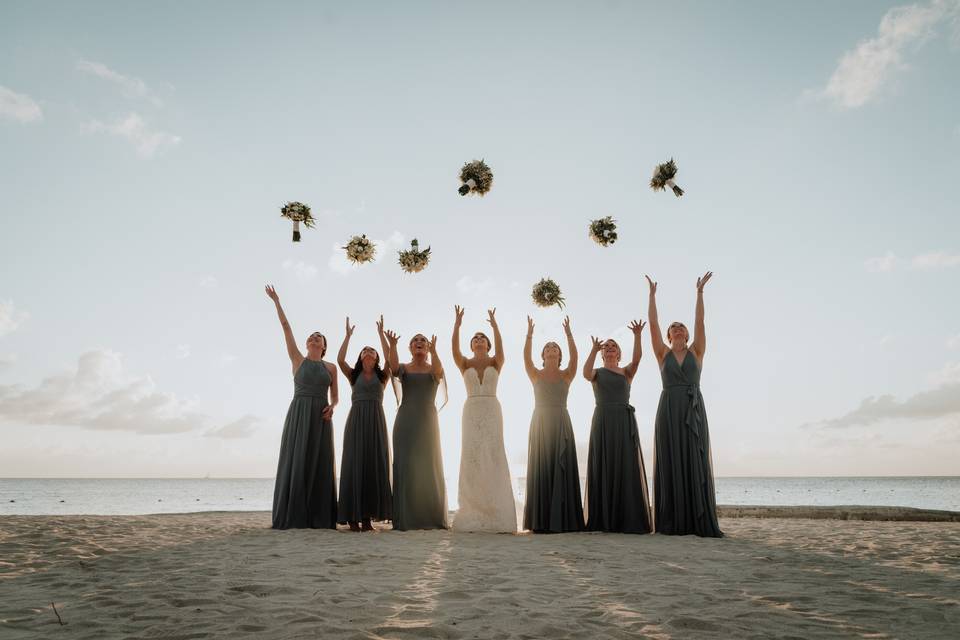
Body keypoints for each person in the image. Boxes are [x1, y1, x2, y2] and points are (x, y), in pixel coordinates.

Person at [647, 272, 723, 537]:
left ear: (687, 333)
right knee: (670, 459)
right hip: (668, 408)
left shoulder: (696, 351)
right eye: (674, 328)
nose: (678, 329)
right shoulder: (662, 354)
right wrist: (652, 296)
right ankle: (671, 522)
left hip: (693, 409)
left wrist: (700, 293)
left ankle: (696, 519)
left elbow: (701, 320)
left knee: (694, 457)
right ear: (669, 336)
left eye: (681, 327)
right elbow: (653, 324)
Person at [265, 285, 338, 530]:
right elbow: (286, 328)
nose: (313, 338)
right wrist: (276, 301)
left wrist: (333, 407)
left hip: (321, 416)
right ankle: (293, 515)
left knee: (319, 462)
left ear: (324, 345)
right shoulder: (298, 359)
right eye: (311, 337)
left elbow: (336, 396)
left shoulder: (330, 367)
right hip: (299, 413)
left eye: (318, 337)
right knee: (297, 460)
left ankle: (319, 517)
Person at [450, 305, 517, 533]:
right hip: (471, 410)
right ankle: (472, 509)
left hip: (491, 408)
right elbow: (454, 351)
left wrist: (495, 326)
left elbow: (501, 348)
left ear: (487, 344)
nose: (479, 340)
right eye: (475, 338)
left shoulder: (496, 362)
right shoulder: (465, 364)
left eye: (482, 338)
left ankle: (497, 511)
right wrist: (457, 324)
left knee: (493, 455)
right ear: (471, 345)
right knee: (472, 457)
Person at [582, 321, 652, 534]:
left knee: (625, 464)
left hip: (623, 421)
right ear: (603, 353)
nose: (610, 347)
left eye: (613, 346)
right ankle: (603, 519)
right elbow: (585, 373)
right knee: (604, 463)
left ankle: (626, 518)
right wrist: (593, 350)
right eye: (606, 346)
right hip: (603, 420)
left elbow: (638, 358)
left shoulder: (626, 372)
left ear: (619, 353)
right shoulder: (596, 372)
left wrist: (638, 335)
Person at [522, 315, 585, 533]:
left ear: (559, 355)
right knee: (542, 467)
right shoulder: (535, 374)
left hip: (560, 421)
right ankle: (541, 521)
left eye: (554, 348)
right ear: (543, 354)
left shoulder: (566, 374)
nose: (551, 349)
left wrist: (568, 334)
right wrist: (529, 334)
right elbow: (526, 359)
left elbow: (576, 358)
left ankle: (563, 520)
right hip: (540, 422)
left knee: (562, 467)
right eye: (547, 347)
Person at [386, 329, 449, 530]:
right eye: (415, 340)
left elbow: (439, 372)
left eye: (423, 340)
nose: (419, 342)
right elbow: (393, 367)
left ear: (428, 347)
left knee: (429, 465)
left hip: (428, 422)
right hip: (405, 420)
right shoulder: (404, 368)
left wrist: (436, 350)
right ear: (410, 348)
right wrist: (393, 345)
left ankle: (431, 516)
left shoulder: (434, 368)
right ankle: (405, 517)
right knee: (405, 465)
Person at [336, 315, 393, 532]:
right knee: (354, 464)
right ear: (360, 357)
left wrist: (381, 335)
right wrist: (347, 336)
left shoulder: (383, 376)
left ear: (376, 357)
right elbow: (340, 360)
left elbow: (390, 359)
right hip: (357, 420)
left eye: (372, 350)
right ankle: (352, 516)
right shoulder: (353, 375)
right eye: (365, 350)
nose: (368, 352)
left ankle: (367, 518)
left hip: (376, 422)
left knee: (373, 464)